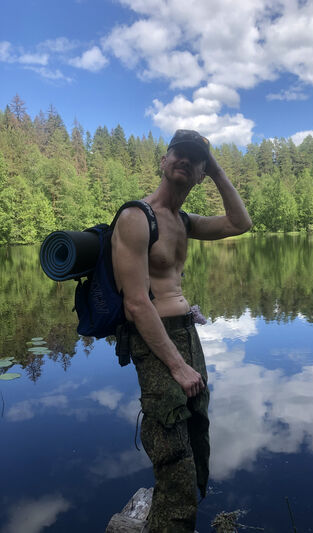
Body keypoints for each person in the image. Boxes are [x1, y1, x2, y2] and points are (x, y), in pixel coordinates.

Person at [111, 129, 252, 532]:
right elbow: (136, 303)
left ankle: (179, 518)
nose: (185, 161)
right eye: (179, 153)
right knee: (172, 450)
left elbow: (240, 223)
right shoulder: (137, 218)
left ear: (201, 174)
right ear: (164, 161)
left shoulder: (183, 221)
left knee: (196, 435)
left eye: (195, 158)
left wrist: (217, 170)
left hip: (186, 334)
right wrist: (176, 366)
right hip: (156, 342)